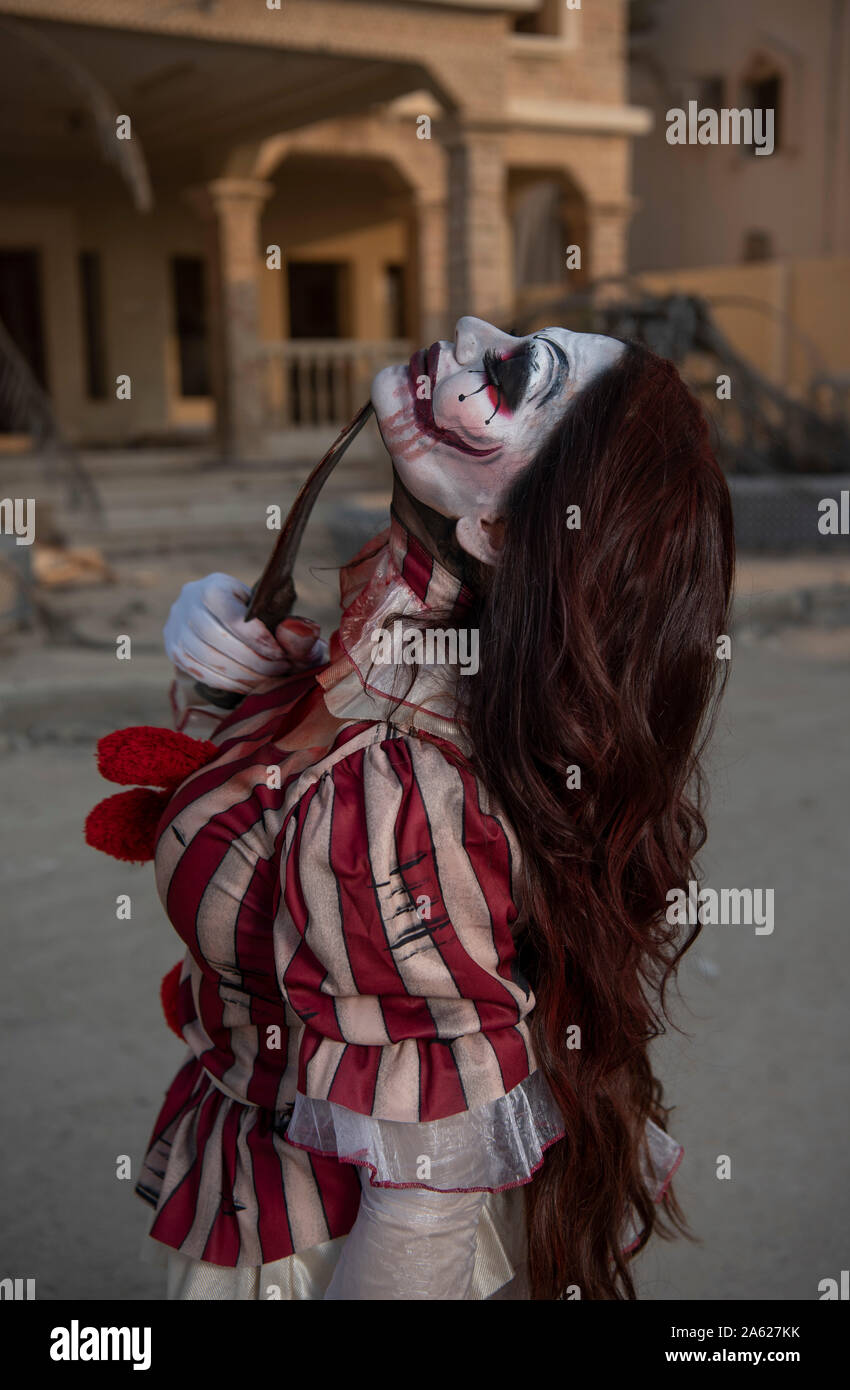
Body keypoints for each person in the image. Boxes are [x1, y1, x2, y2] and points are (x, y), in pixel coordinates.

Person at [130, 316, 734, 1300]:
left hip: (310, 1245)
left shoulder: (399, 791)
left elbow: (426, 1195)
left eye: (512, 369)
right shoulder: (406, 650)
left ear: (495, 532)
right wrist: (241, 670)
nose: (465, 328)